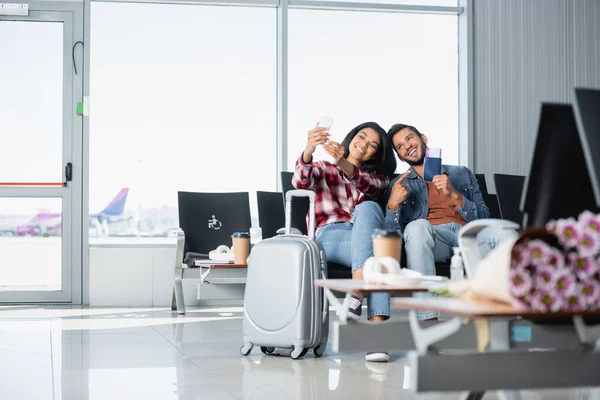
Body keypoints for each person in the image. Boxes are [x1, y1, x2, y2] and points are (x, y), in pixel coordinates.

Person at [384, 123, 518, 320]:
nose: (407, 146)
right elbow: (393, 238)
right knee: (416, 226)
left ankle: (522, 311)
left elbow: (484, 217)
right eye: (400, 147)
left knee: (505, 231)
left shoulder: (461, 173)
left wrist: (454, 194)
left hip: (470, 238)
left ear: (423, 138)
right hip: (434, 240)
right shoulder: (397, 185)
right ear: (400, 156)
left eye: (410, 138)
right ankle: (428, 319)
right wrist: (393, 205)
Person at [293, 121, 396, 362]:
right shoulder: (324, 168)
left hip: (363, 244)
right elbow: (299, 182)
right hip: (330, 239)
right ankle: (375, 328)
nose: (364, 145)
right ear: (351, 138)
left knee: (370, 212)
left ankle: (357, 294)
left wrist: (344, 163)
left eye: (372, 145)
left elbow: (368, 185)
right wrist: (308, 150)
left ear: (375, 154)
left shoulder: (377, 179)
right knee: (379, 257)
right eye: (361, 137)